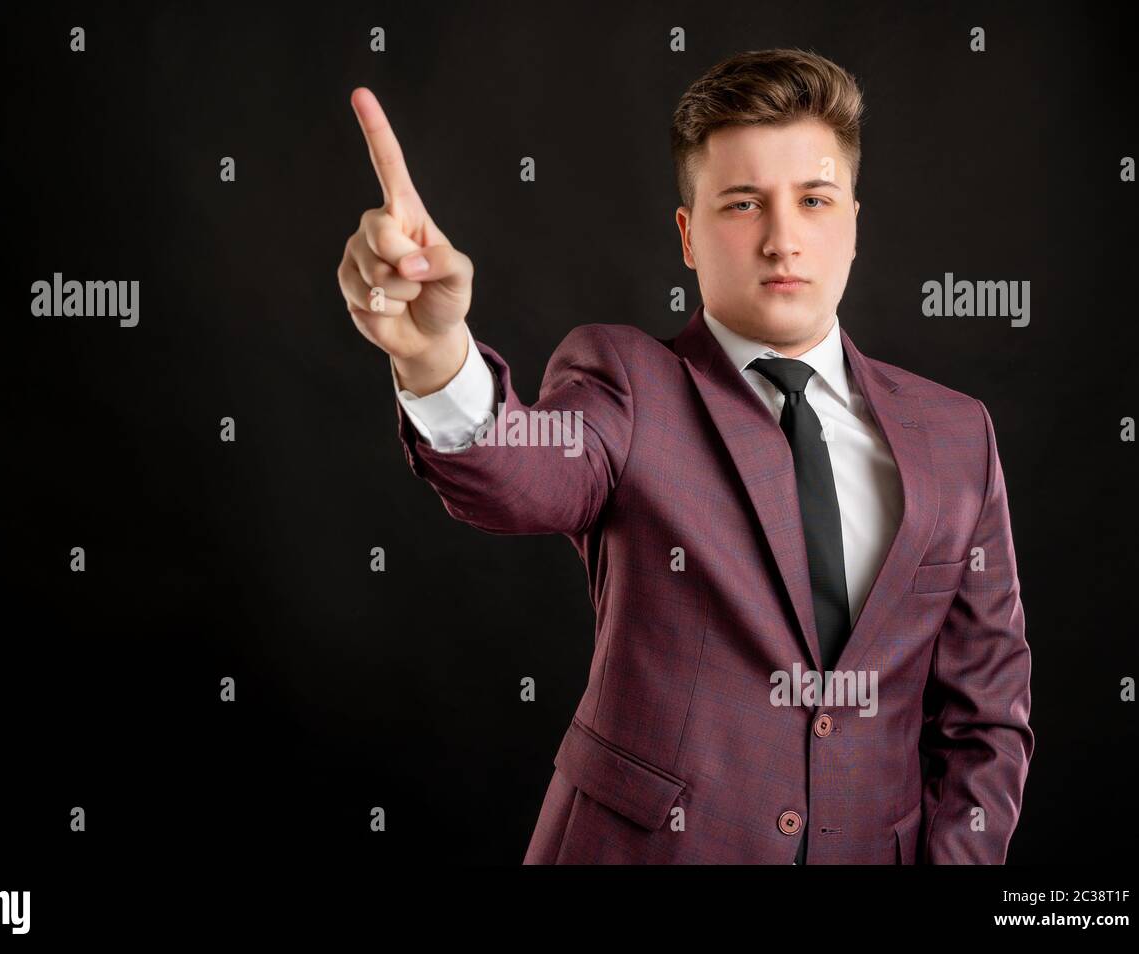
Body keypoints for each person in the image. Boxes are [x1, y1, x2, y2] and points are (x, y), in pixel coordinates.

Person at [337, 48, 1034, 864]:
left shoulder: (957, 434)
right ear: (687, 236)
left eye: (814, 201)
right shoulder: (626, 383)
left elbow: (984, 715)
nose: (783, 240)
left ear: (852, 223)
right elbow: (520, 476)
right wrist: (435, 359)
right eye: (742, 204)